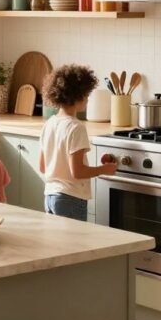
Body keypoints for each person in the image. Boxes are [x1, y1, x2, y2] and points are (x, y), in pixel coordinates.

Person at [39, 63, 117, 221]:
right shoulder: (76, 127)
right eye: (87, 95)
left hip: (50, 196)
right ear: (78, 96)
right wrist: (104, 169)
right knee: (75, 245)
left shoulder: (49, 124)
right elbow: (78, 172)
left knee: (58, 245)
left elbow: (42, 166)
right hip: (70, 198)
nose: (88, 99)